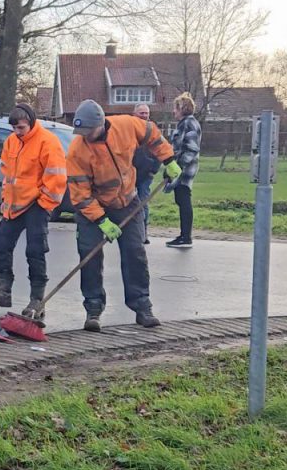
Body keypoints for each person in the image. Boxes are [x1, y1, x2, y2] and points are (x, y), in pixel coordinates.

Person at [66, 99, 181, 332]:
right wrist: (101, 220)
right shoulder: (77, 151)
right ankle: (93, 309)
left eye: (90, 131)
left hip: (128, 201)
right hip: (94, 208)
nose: (86, 136)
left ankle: (142, 306)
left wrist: (168, 160)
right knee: (90, 255)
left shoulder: (127, 125)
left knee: (135, 252)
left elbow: (153, 135)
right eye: (82, 132)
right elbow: (80, 195)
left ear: (101, 123)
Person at [0, 104, 67, 321]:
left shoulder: (48, 142)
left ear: (31, 123)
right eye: (15, 129)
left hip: (37, 203)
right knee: (1, 244)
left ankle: (37, 300)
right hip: (15, 205)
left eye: (21, 128)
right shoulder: (11, 142)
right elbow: (8, 176)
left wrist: (44, 203)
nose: (18, 132)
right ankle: (2, 291)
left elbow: (57, 178)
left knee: (35, 251)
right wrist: (6, 202)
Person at [167, 92, 202, 248]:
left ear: (182, 108)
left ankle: (185, 237)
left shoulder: (188, 124)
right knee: (181, 199)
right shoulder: (184, 124)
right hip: (181, 167)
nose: (173, 111)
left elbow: (191, 149)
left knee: (184, 199)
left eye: (175, 108)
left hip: (185, 169)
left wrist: (177, 167)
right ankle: (183, 235)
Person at [131, 104, 162, 244]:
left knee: (143, 203)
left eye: (146, 113)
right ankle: (130, 231)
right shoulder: (128, 130)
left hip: (146, 175)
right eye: (141, 113)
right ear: (134, 114)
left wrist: (154, 168)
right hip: (130, 173)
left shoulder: (152, 130)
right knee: (126, 203)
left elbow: (161, 149)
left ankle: (144, 233)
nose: (144, 115)